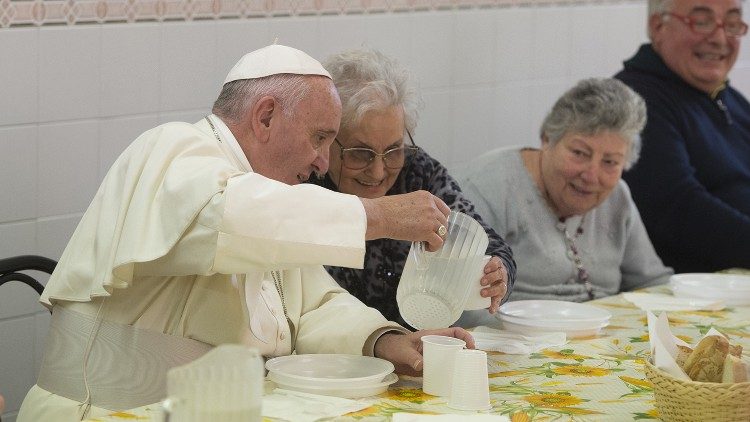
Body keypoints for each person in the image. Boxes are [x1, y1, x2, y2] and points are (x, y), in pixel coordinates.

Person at [18, 44, 474, 422]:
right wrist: (377, 216)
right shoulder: (172, 149)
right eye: (319, 138)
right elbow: (227, 218)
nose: (321, 163)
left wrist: (385, 341)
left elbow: (311, 305)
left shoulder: (272, 200)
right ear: (265, 116)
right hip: (106, 412)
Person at [311, 49, 516, 329]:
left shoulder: (417, 171)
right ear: (327, 139)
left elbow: (480, 236)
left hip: (415, 351)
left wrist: (497, 271)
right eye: (360, 153)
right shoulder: (304, 182)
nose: (379, 172)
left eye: (394, 150)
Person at [456, 78, 673, 304]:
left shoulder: (617, 196)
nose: (591, 175)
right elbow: (461, 308)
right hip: (512, 335)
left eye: (610, 162)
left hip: (605, 334)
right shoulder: (486, 189)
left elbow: (652, 285)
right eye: (579, 153)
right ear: (547, 139)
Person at [615, 0, 750, 273]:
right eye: (702, 22)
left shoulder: (727, 99)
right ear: (658, 27)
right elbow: (679, 210)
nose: (720, 38)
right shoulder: (635, 101)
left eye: (733, 23)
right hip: (688, 292)